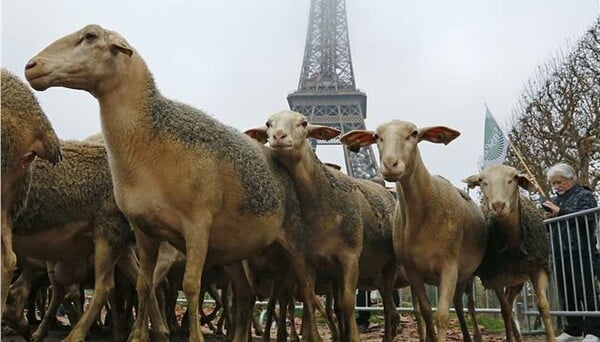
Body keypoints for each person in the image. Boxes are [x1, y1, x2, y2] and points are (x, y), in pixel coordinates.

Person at [543, 163, 600, 342]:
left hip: (581, 251)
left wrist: (561, 212)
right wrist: (550, 218)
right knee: (566, 291)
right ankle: (573, 329)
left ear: (570, 179)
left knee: (585, 290)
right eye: (553, 183)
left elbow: (589, 217)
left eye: (559, 182)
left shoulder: (585, 195)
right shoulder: (555, 200)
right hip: (560, 251)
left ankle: (594, 330)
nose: (556, 186)